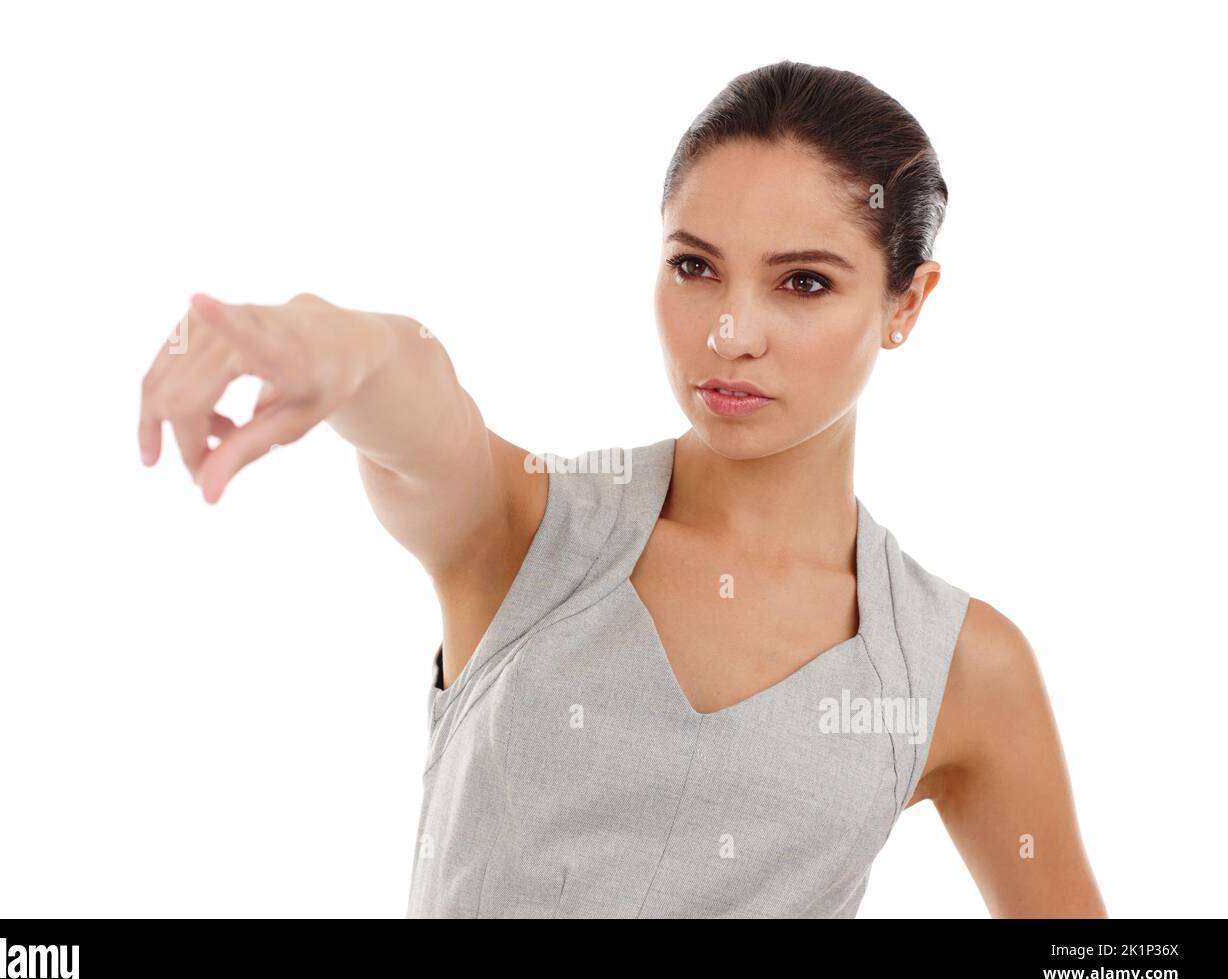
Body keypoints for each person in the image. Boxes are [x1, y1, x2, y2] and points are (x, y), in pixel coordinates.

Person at [137, 60, 1106, 918]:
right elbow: (420, 398)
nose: (730, 332)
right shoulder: (525, 529)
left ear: (906, 302)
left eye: (802, 283)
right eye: (694, 266)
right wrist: (334, 345)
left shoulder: (955, 665)